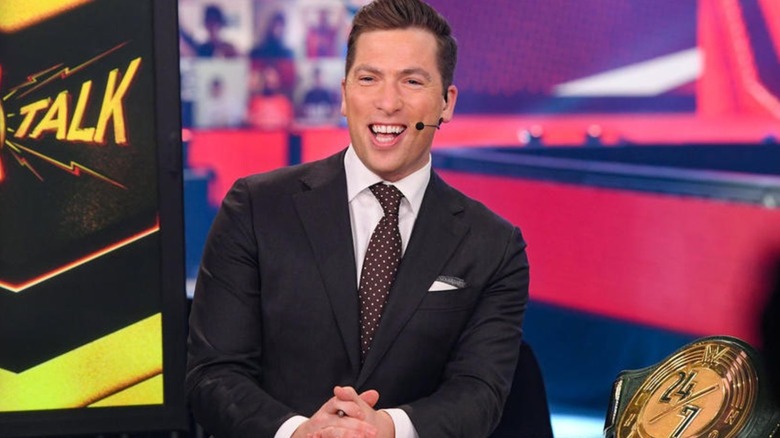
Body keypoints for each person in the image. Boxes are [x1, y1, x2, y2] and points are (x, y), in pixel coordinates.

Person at [186, 0, 530, 437]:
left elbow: (480, 392)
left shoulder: (493, 245)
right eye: (369, 79)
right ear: (345, 93)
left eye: (412, 81)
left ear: (446, 103)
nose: (388, 103)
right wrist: (298, 432)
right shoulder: (256, 208)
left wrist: (387, 428)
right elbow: (213, 374)